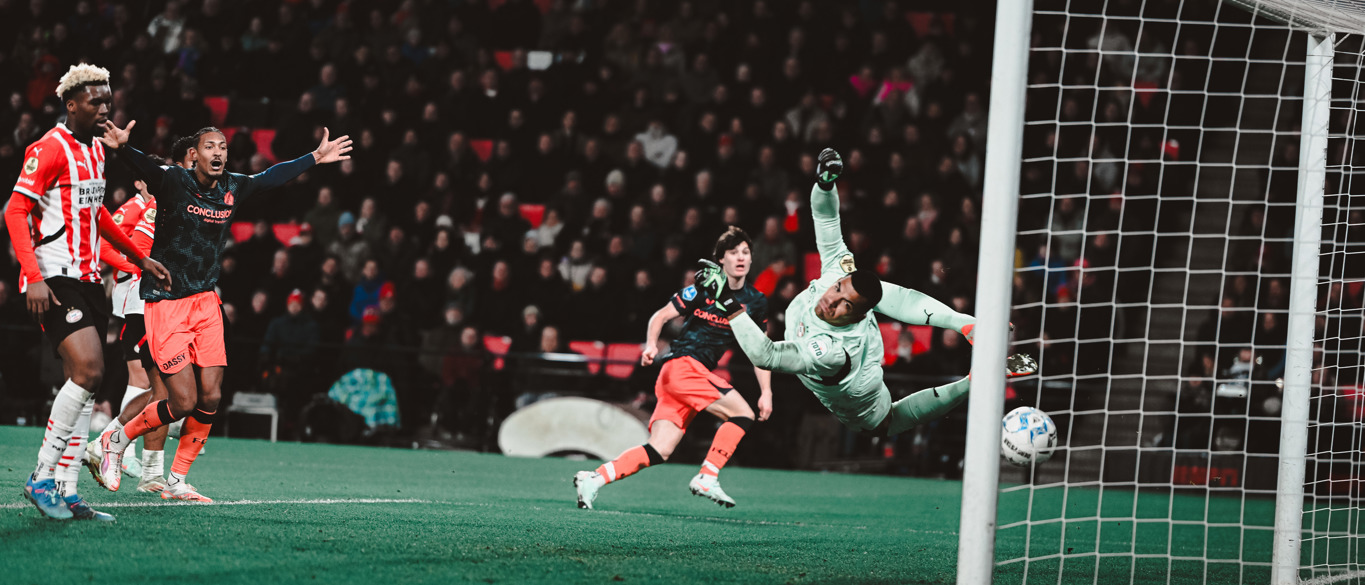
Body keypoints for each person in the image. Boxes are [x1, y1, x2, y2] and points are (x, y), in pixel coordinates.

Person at [95, 122, 351, 502]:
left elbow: (271, 177)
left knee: (211, 396)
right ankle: (115, 440)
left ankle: (177, 480)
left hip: (205, 302)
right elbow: (145, 168)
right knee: (182, 401)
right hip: (166, 302)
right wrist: (122, 148)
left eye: (223, 147)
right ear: (194, 154)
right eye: (210, 146)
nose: (218, 152)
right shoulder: (174, 182)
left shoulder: (232, 186)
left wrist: (314, 157)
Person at [721, 149, 1036, 438]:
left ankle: (972, 382)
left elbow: (766, 355)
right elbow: (826, 219)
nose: (831, 299)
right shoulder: (838, 273)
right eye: (838, 289)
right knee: (881, 292)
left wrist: (727, 301)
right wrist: (825, 184)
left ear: (857, 315)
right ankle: (966, 324)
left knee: (888, 422)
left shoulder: (829, 351)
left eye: (844, 305)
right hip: (852, 334)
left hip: (861, 396)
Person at [7, 64, 171, 521]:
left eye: (108, 101)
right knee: (88, 369)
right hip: (54, 277)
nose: (104, 108)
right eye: (95, 101)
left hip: (89, 279)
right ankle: (41, 477)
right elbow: (15, 210)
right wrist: (32, 276)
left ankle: (68, 490)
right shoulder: (48, 147)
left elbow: (97, 215)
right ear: (72, 104)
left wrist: (139, 259)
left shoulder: (97, 149)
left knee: (88, 380)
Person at [574, 226, 772, 510]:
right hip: (682, 368)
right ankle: (708, 476)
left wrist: (766, 391)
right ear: (721, 259)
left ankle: (594, 479)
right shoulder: (702, 290)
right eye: (733, 252)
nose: (741, 257)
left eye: (745, 252)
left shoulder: (756, 302)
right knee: (742, 414)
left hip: (684, 377)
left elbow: (760, 350)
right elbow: (660, 316)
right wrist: (650, 346)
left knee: (660, 449)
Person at [85, 138, 193, 495]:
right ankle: (112, 441)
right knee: (155, 386)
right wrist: (139, 266)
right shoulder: (144, 206)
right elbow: (106, 245)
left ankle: (146, 467)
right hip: (141, 299)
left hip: (162, 301)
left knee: (156, 387)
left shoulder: (179, 203)